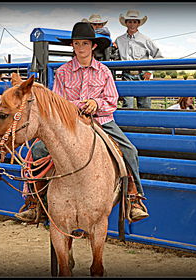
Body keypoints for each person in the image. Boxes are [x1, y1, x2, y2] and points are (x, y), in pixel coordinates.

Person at [14, 22, 149, 222]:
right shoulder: (62, 72)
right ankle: (34, 202)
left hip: (101, 121)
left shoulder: (103, 72)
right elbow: (57, 102)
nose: (81, 48)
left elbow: (111, 101)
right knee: (37, 151)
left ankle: (133, 198)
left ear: (93, 46)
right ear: (73, 46)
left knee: (130, 151)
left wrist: (96, 103)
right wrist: (77, 106)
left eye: (85, 43)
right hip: (70, 123)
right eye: (77, 44)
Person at [115, 9, 163, 109]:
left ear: (138, 23)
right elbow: (114, 55)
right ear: (126, 23)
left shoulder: (145, 39)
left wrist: (149, 71)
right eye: (130, 22)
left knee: (145, 105)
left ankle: (145, 124)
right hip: (126, 75)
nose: (132, 24)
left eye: (135, 22)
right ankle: (128, 125)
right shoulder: (119, 40)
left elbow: (159, 56)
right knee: (128, 105)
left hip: (142, 75)